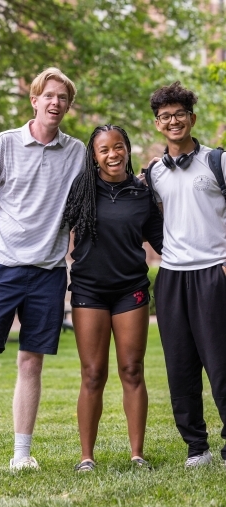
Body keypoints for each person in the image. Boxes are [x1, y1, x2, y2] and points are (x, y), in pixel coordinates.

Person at [0, 67, 86, 470]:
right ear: (34, 99)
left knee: (31, 361)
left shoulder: (77, 151)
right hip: (2, 266)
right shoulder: (6, 143)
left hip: (47, 271)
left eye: (63, 98)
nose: (55, 103)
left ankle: (21, 455)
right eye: (49, 95)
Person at [61, 124, 163, 471]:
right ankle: (86, 457)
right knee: (92, 373)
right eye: (104, 149)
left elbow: (162, 240)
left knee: (132, 370)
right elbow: (51, 222)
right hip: (89, 290)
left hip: (129, 290)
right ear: (94, 156)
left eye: (118, 147)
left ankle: (137, 455)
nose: (113, 154)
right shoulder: (83, 189)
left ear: (127, 149)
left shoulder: (142, 193)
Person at [147, 80, 226, 467]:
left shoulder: (218, 162)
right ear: (158, 124)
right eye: (165, 116)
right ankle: (197, 447)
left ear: (192, 118)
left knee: (222, 363)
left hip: (215, 272)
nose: (173, 121)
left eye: (180, 114)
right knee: (179, 366)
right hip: (172, 277)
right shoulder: (153, 173)